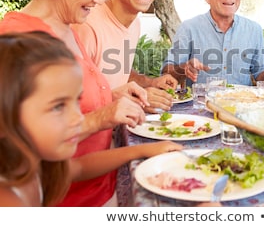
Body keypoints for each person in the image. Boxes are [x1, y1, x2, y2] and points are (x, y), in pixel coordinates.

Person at [0, 0, 149, 206]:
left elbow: (71, 97)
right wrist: (100, 118)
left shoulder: (67, 25)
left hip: (100, 188)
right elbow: (17, 144)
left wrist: (114, 95)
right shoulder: (19, 39)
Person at [0, 31, 183, 206]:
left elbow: (79, 167)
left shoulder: (37, 165)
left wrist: (142, 150)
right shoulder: (9, 201)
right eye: (58, 106)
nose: (78, 117)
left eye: (77, 102)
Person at [73, 0, 177, 113]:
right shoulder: (87, 25)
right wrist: (139, 98)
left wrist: (151, 83)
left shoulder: (134, 24)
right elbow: (72, 101)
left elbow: (118, 75)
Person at [162, 0, 264, 86]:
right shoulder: (189, 28)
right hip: (201, 103)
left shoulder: (254, 30)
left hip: (241, 102)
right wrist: (184, 68)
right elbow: (167, 71)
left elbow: (261, 70)